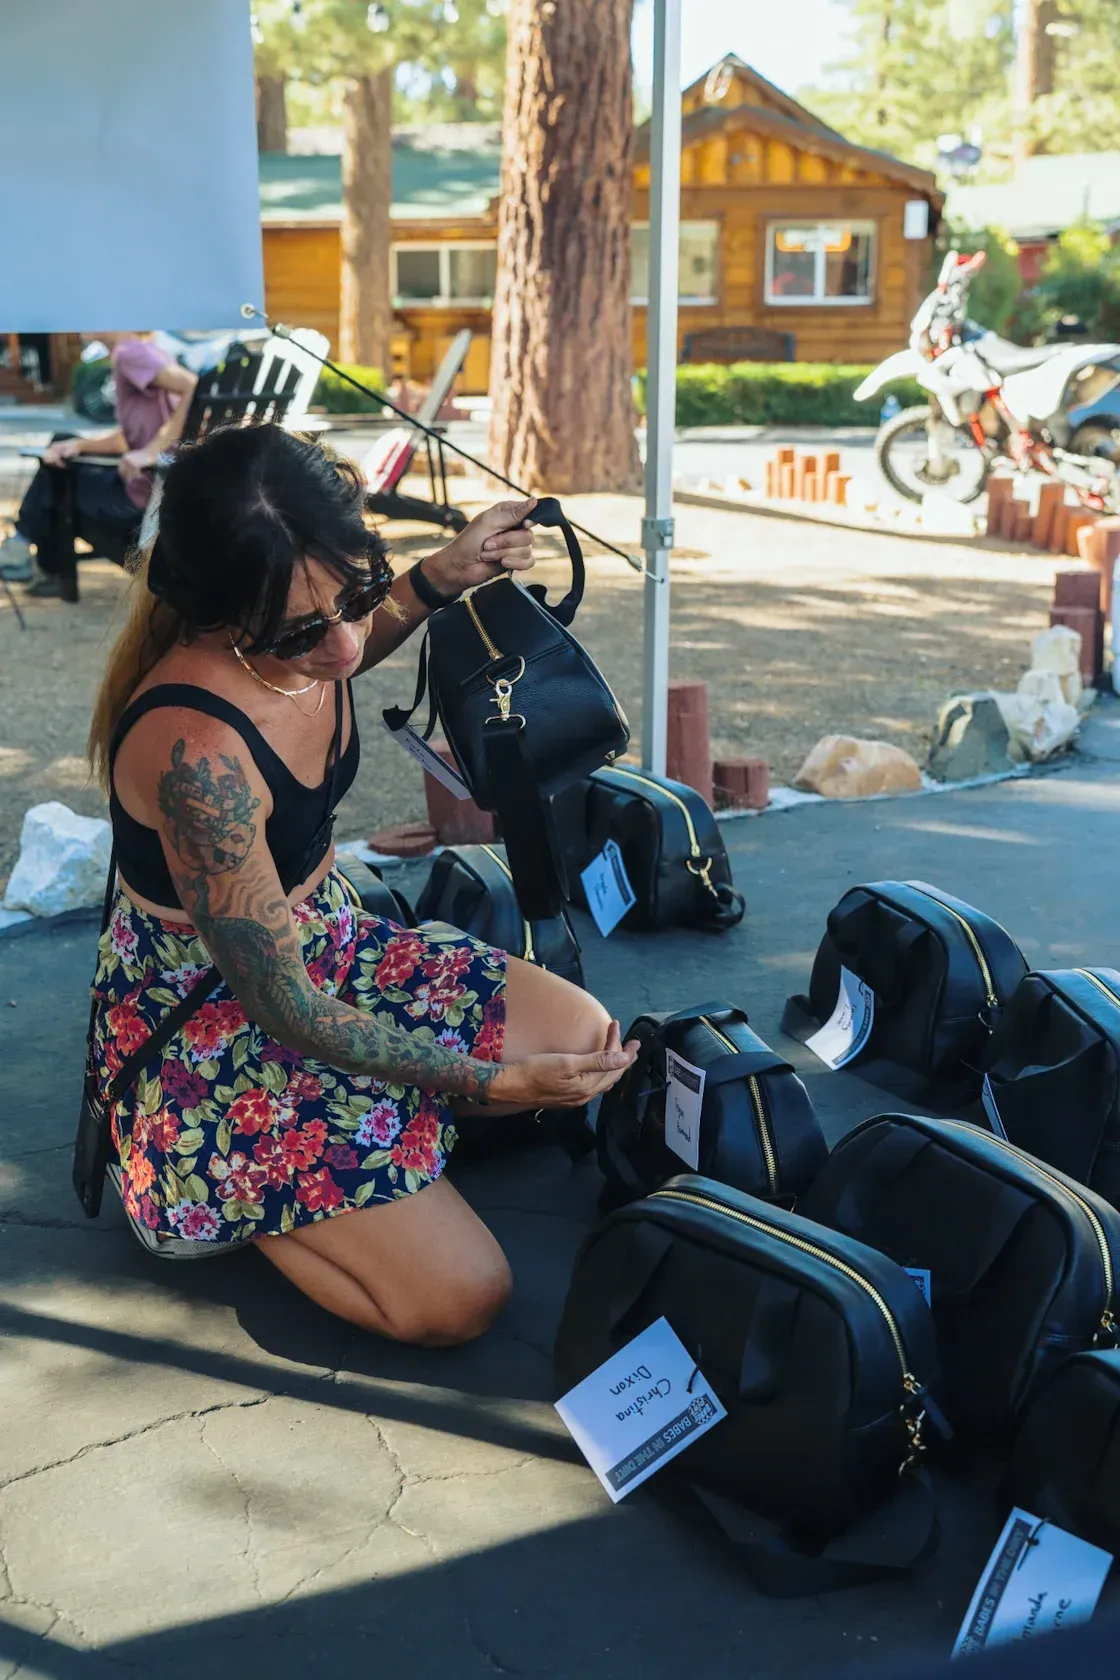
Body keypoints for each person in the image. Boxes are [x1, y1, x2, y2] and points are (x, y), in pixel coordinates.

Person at [86, 422, 638, 1346]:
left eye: (361, 590)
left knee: (584, 1037)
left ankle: (388, 1134)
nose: (344, 644)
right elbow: (286, 1008)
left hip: (326, 939)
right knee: (457, 1299)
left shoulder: (306, 639)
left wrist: (435, 577)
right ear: (220, 615)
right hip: (219, 1024)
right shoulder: (195, 754)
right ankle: (197, 1186)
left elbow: (344, 644)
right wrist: (491, 1082)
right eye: (303, 629)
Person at [0, 332, 197, 598]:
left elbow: (190, 384)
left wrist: (152, 453)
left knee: (56, 478)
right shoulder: (144, 352)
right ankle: (23, 549)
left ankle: (28, 554)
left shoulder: (131, 354)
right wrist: (78, 446)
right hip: (150, 481)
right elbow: (127, 439)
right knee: (62, 445)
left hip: (140, 494)